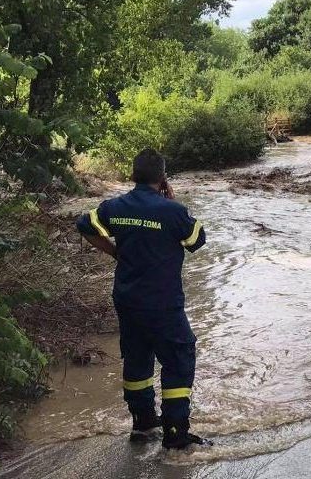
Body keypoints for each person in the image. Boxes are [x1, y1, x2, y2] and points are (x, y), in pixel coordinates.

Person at [76, 149, 212, 450]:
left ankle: (143, 422)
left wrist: (113, 251)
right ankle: (175, 432)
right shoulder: (172, 211)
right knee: (178, 359)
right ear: (162, 178)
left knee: (137, 359)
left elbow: (84, 225)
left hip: (127, 300)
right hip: (163, 303)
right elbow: (196, 241)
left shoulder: (115, 206)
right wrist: (172, 203)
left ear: (133, 175)